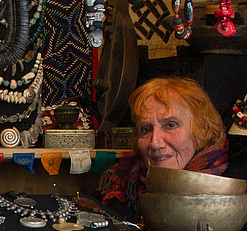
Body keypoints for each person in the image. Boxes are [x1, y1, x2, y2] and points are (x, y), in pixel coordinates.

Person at [98, 77, 229, 210]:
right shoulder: (124, 185)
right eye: (146, 129)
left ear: (201, 130)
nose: (155, 143)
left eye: (170, 125)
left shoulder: (230, 193)